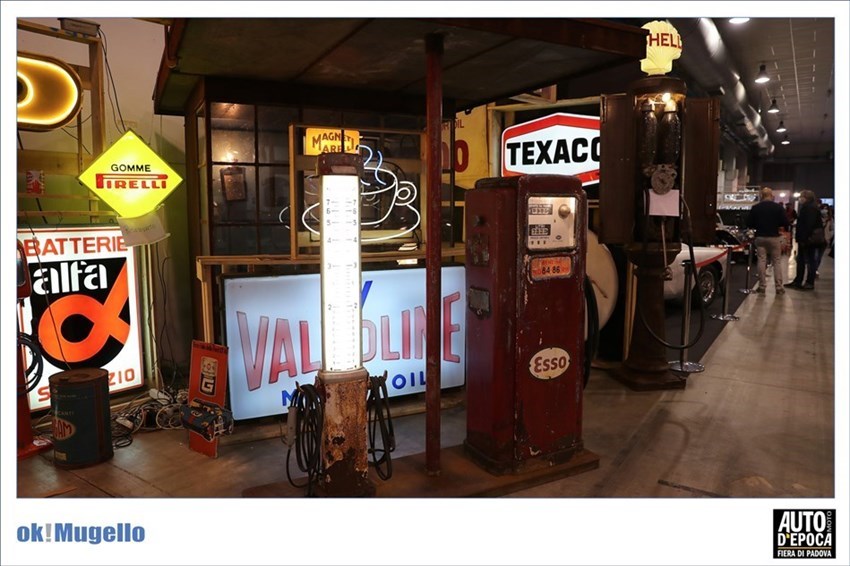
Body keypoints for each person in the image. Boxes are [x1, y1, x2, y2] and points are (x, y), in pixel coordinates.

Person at [746, 187, 790, 294]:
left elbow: (749, 223)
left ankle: (762, 286)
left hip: (760, 237)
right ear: (771, 195)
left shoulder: (755, 208)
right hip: (774, 237)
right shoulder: (778, 207)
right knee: (777, 262)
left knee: (761, 260)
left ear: (761, 196)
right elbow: (785, 222)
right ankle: (779, 287)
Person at [785, 189, 823, 290]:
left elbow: (808, 225)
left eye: (801, 197)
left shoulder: (809, 208)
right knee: (801, 260)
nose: (800, 199)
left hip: (808, 239)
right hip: (806, 238)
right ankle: (798, 280)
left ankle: (808, 282)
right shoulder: (809, 207)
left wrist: (804, 238)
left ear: (806, 198)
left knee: (809, 261)